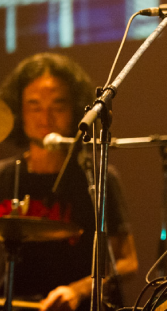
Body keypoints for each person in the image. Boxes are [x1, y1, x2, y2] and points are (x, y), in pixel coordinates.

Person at [0, 52, 138, 311]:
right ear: (19, 110)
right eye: (34, 105)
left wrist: (79, 290)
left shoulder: (97, 176)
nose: (45, 117)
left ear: (75, 109)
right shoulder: (5, 176)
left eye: (58, 106)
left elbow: (127, 261)